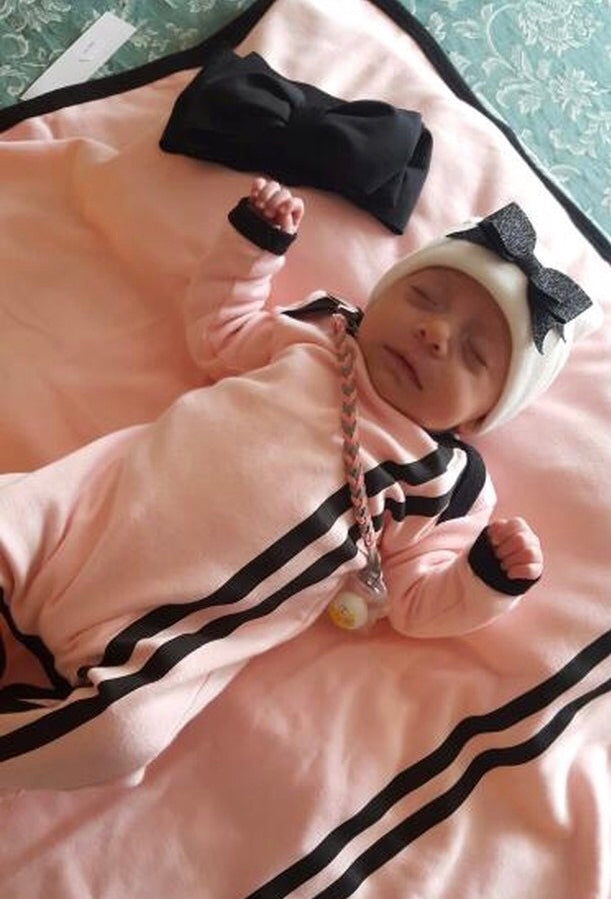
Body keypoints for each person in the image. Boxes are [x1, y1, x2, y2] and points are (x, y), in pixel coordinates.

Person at [0, 178, 598, 790]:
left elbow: (415, 602)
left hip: (173, 631)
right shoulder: (323, 332)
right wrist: (252, 247)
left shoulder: (446, 480)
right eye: (423, 297)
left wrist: (487, 579)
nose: (435, 333)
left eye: (474, 355)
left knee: (123, 735)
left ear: (479, 418)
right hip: (82, 514)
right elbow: (221, 334)